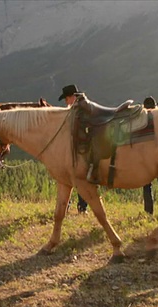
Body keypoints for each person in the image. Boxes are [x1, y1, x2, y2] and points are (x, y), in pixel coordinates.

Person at [59, 84, 88, 214]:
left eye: (66, 99)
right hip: (75, 149)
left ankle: (80, 206)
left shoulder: (79, 111)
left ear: (71, 97)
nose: (66, 102)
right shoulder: (77, 109)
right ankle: (78, 206)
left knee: (78, 178)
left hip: (80, 149)